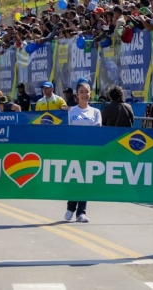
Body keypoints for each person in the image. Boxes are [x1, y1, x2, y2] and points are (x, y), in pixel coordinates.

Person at [64, 81, 101, 223]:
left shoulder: (96, 112)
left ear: (90, 94)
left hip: (89, 152)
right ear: (77, 95)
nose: (84, 94)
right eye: (81, 92)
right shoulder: (70, 111)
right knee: (73, 180)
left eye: (86, 92)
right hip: (73, 151)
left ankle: (81, 212)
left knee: (85, 181)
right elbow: (66, 131)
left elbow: (96, 132)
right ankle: (70, 208)